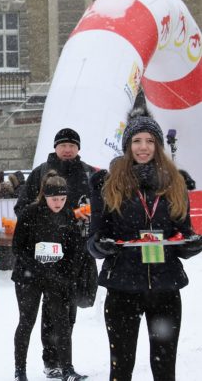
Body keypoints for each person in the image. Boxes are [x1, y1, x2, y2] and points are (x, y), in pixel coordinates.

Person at [87, 103, 202, 381]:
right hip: (122, 287)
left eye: (150, 141)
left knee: (165, 370)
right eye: (137, 141)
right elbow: (93, 239)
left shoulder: (175, 182)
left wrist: (191, 245)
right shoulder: (108, 184)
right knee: (121, 368)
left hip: (165, 288)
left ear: (158, 146)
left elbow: (182, 233)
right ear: (127, 146)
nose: (143, 147)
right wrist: (101, 245)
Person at [13, 127, 97, 378]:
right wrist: (44, 224)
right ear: (55, 147)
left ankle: (62, 362)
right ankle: (50, 362)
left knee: (65, 314)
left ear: (78, 148)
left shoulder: (88, 173)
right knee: (33, 317)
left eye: (72, 145)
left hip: (75, 252)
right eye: (63, 145)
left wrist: (82, 220)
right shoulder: (40, 172)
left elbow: (100, 207)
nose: (67, 149)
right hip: (38, 258)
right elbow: (21, 209)